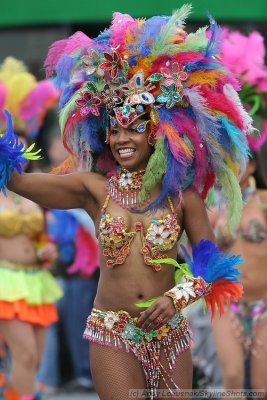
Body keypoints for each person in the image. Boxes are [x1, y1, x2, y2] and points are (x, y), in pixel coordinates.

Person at [0, 5, 253, 399]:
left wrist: (176, 298)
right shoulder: (93, 189)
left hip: (169, 334)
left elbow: (213, 263)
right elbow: (19, 181)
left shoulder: (182, 198)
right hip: (110, 331)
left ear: (156, 134)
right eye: (114, 131)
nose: (122, 139)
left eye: (134, 129)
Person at [0, 57, 62, 400]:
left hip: (36, 280)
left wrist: (45, 250)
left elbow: (39, 238)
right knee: (22, 356)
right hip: (4, 282)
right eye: (11, 143)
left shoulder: (34, 190)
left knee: (33, 361)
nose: (18, 149)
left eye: (22, 143)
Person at [209, 29, 267, 395]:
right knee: (231, 379)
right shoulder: (212, 204)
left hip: (265, 305)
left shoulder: (264, 199)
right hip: (226, 304)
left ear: (252, 162)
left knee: (262, 386)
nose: (235, 165)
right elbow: (193, 252)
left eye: (241, 158)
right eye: (228, 157)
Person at [37, 131, 99, 393]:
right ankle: (48, 378)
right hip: (46, 267)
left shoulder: (86, 179)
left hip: (82, 270)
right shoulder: (41, 179)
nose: (60, 150)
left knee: (79, 321)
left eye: (66, 146)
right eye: (55, 143)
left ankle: (85, 373)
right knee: (47, 323)